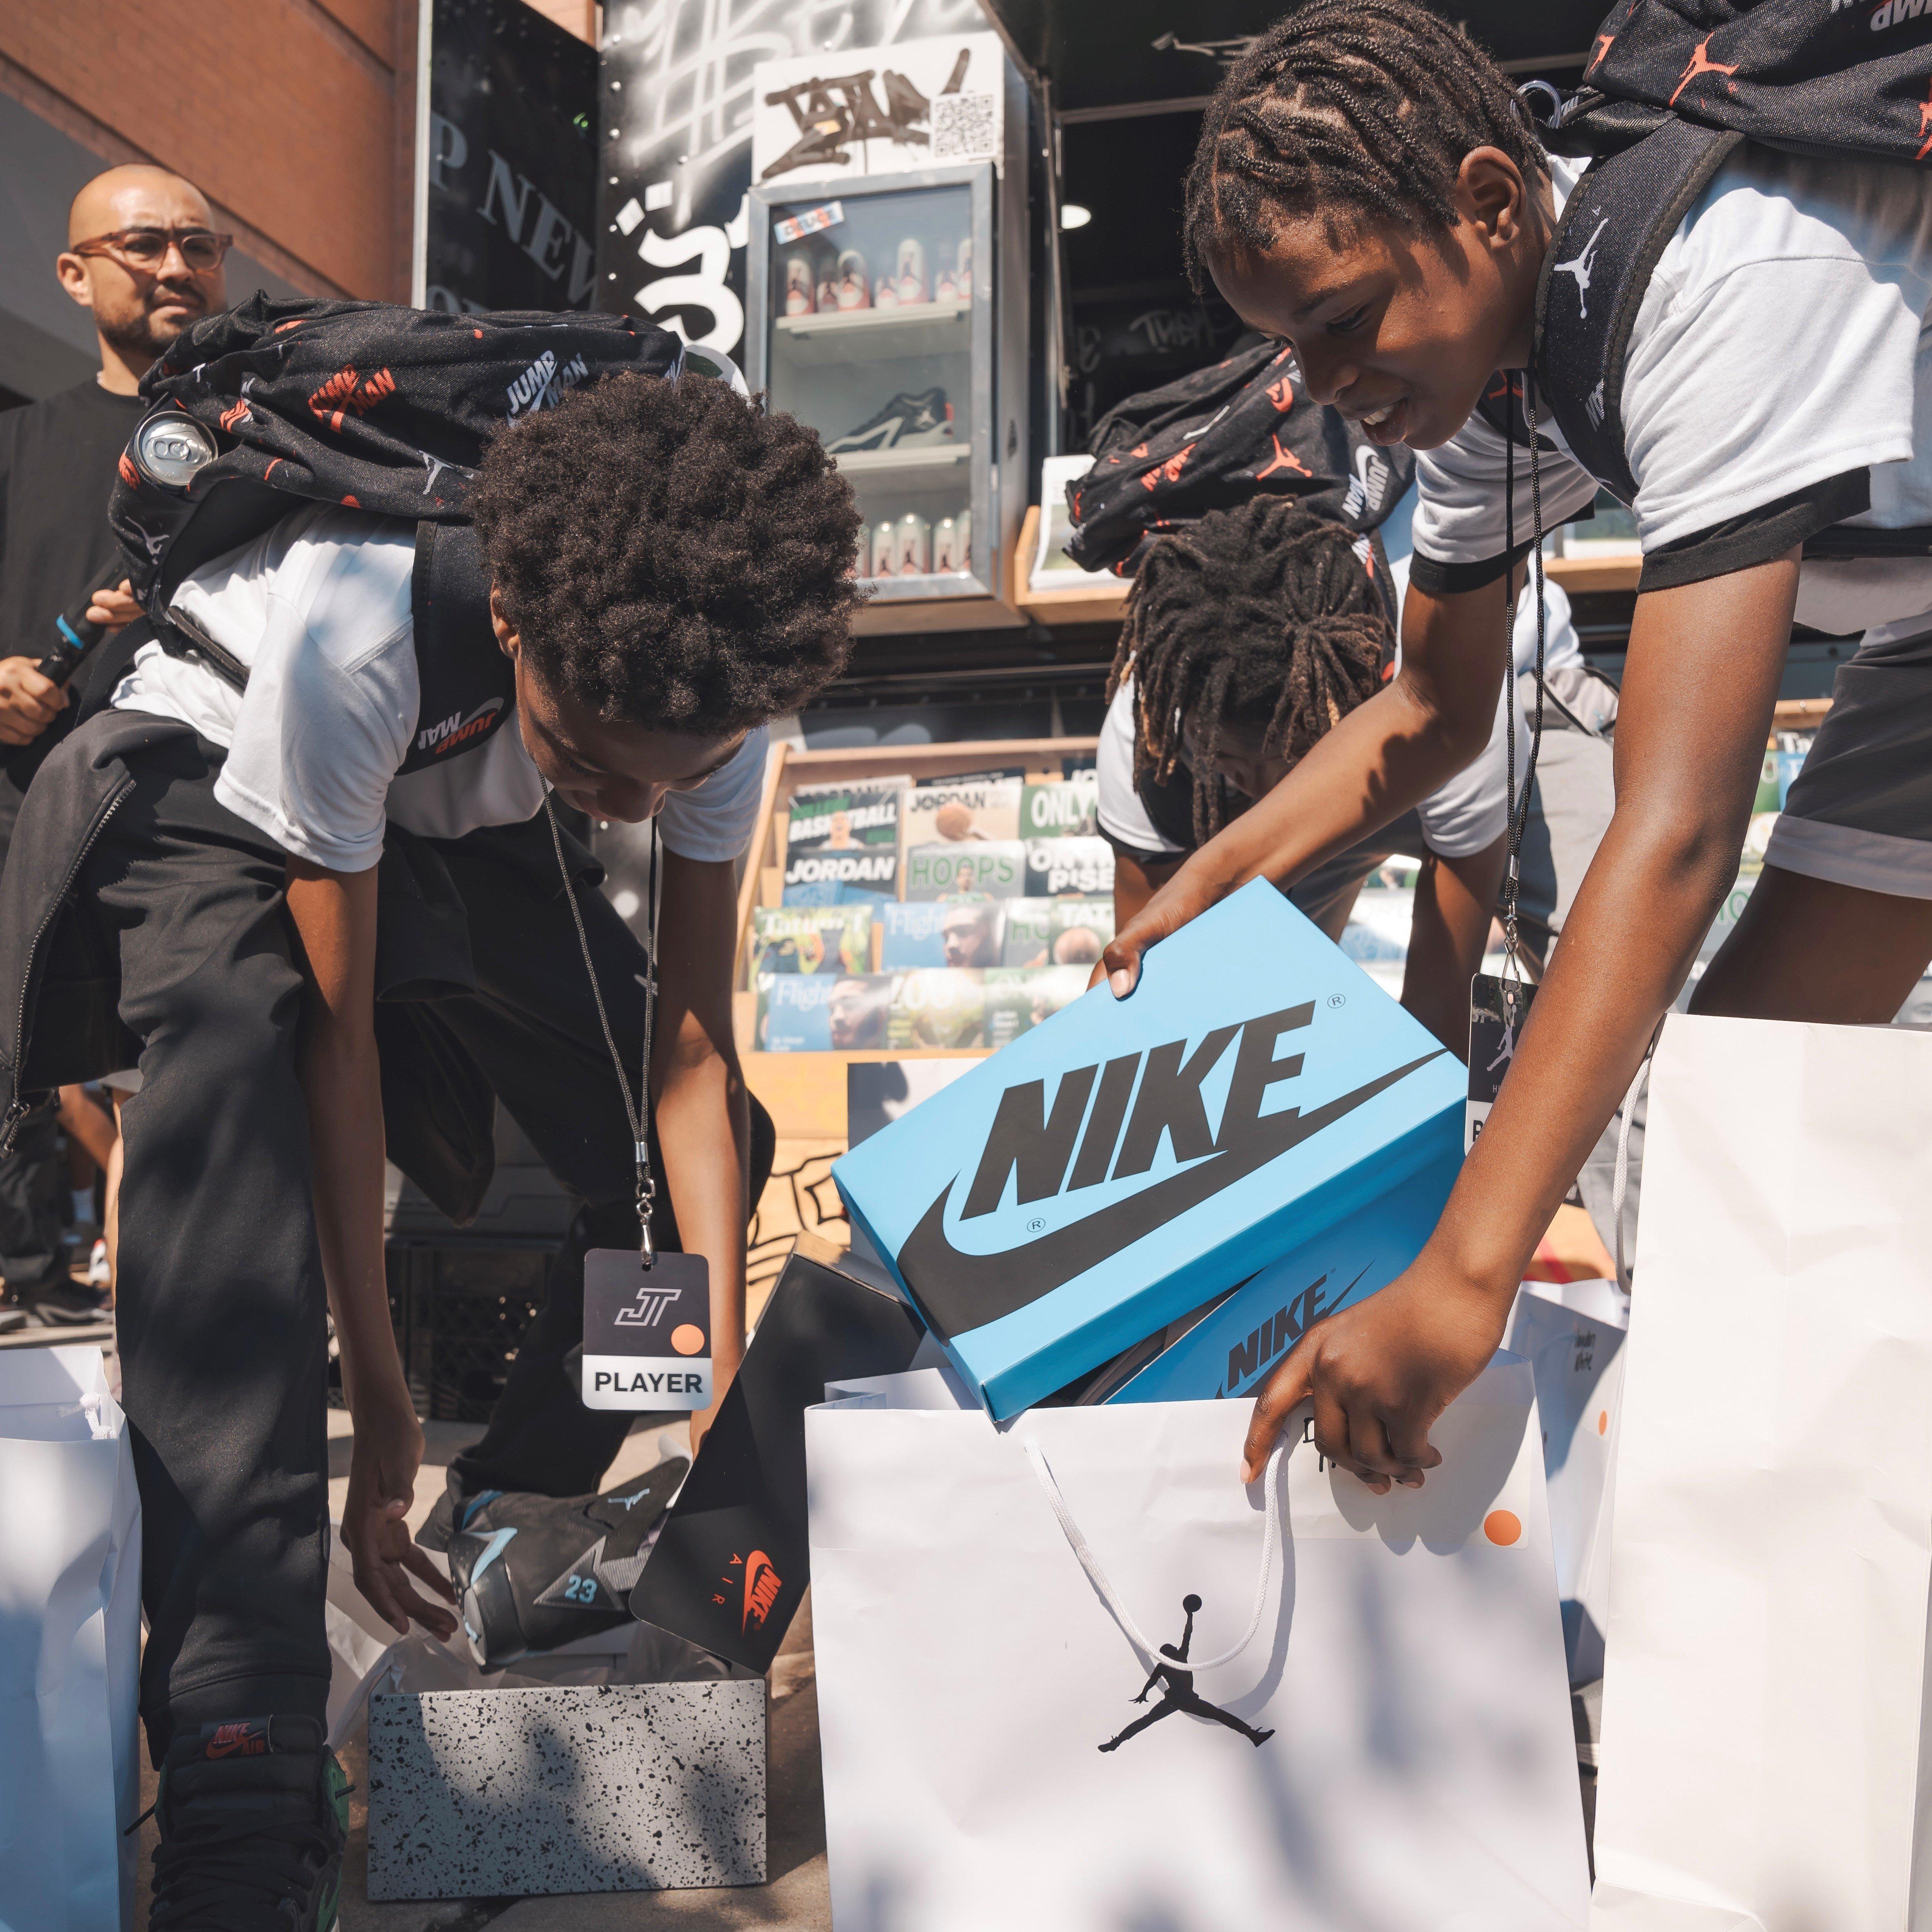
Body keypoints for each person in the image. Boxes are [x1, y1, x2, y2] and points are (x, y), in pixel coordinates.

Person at [0, 367, 862, 1924]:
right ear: (524, 620)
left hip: (462, 786)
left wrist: (714, 1387)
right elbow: (343, 1049)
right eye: (596, 759)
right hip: (218, 768)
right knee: (235, 1089)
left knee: (676, 1150)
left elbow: (684, 1044)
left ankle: (521, 1511)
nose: (619, 806)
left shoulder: (693, 705)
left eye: (658, 783)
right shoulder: (359, 623)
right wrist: (381, 1406)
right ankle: (240, 1753)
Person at [1101, 3, 1932, 1493]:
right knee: (1742, 1101)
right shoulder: (1487, 383)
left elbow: (1675, 827)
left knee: (1747, 1108)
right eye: (1288, 345)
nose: (1320, 380)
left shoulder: (1724, 280)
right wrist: (1212, 876)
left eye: (1342, 319)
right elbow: (1430, 710)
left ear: (1489, 203)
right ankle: (1772, 1542)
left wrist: (1464, 1275)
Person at [0, 164, 226, 1325]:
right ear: (73, 272)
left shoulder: (262, 448)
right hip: (27, 822)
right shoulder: (22, 445)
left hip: (212, 828)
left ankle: (174, 1365)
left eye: (199, 243)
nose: (178, 266)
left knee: (192, 1107)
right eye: (144, 245)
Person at [1099, 495, 1511, 1054]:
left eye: (1287, 756)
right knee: (1242, 1014)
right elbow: (1147, 994)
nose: (1262, 789)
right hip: (1355, 766)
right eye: (1226, 764)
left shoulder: (1442, 706)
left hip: (1470, 760)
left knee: (1584, 957)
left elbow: (1438, 1006)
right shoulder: (1148, 730)